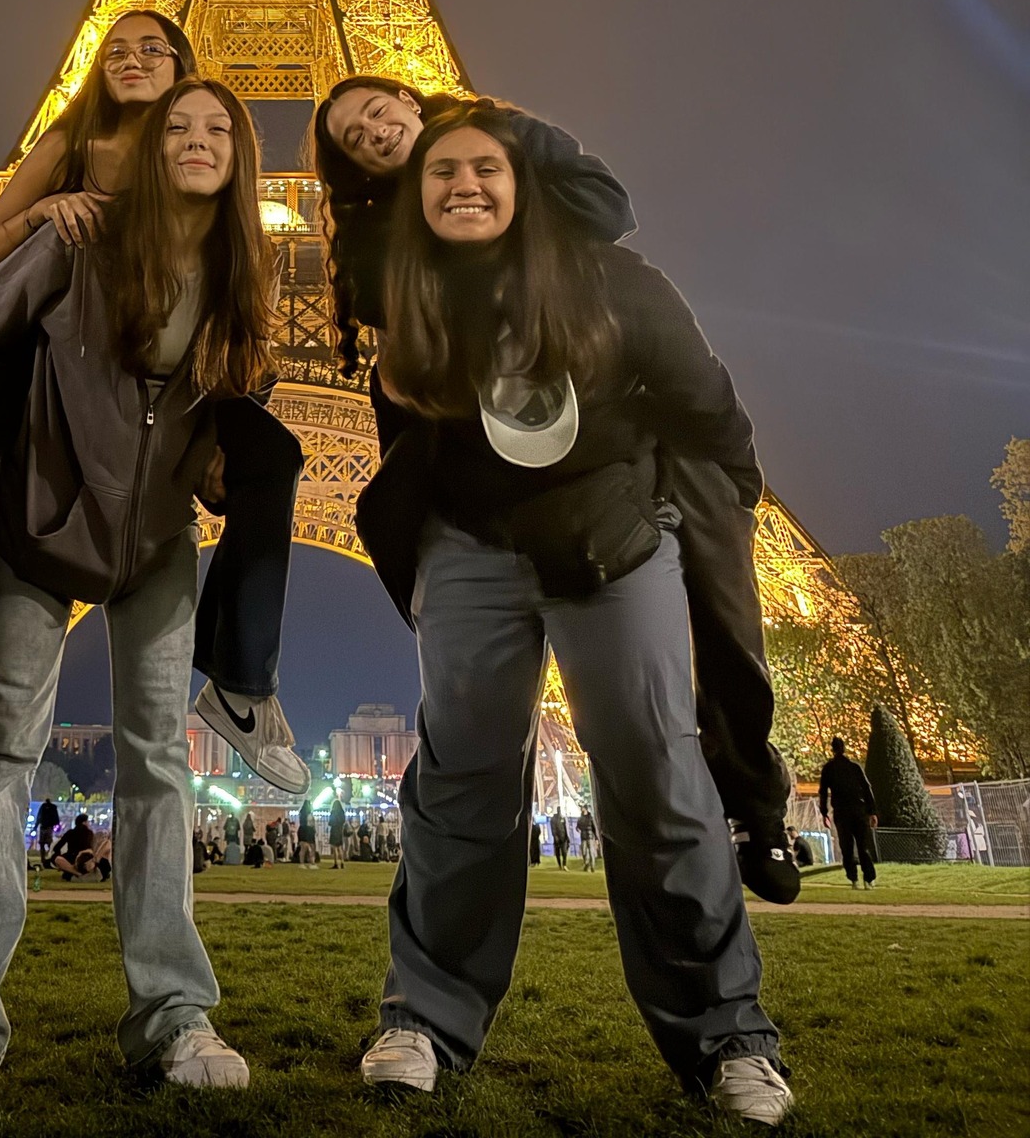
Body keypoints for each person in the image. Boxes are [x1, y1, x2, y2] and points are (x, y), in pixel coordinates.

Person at [353, 103, 793, 1126]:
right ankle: (424, 1018)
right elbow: (404, 431)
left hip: (612, 545)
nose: (464, 184)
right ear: (416, 196)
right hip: (471, 550)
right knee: (458, 777)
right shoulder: (413, 298)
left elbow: (711, 414)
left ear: (525, 182)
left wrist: (697, 524)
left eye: (486, 166)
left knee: (657, 770)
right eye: (441, 171)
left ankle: (728, 1035)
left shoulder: (615, 281)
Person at [0, 78, 274, 1114]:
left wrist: (222, 473)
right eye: (178, 126)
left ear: (241, 156)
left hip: (154, 538)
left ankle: (174, 1014)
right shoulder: (78, 235)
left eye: (219, 128)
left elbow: (243, 409)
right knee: (2, 755)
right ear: (148, 149)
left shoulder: (241, 274)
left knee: (159, 764)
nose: (197, 139)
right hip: (43, 521)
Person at [0, 13, 309, 825]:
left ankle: (242, 682)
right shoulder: (73, 152)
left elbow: (244, 354)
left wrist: (224, 439)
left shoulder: (230, 230)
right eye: (117, 50)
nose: (133, 61)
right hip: (33, 351)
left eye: (153, 49)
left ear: (185, 71)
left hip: (164, 392)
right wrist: (45, 211)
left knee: (275, 454)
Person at [818, 738, 878, 889]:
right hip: (858, 810)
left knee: (847, 847)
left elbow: (823, 792)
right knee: (863, 846)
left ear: (832, 749)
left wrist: (824, 813)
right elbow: (866, 788)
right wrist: (872, 811)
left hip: (841, 812)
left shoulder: (828, 769)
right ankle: (869, 878)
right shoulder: (854, 767)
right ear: (844, 748)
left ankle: (853, 878)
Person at [34, 797, 60, 869]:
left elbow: (39, 817)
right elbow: (56, 818)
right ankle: (49, 857)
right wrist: (57, 825)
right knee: (48, 844)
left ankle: (45, 858)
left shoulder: (44, 807)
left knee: (44, 844)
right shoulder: (52, 807)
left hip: (44, 827)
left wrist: (35, 826)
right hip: (48, 827)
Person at [577, 806, 598, 873]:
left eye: (583, 808)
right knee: (584, 852)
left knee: (591, 852)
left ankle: (592, 867)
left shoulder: (590, 818)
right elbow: (577, 827)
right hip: (583, 837)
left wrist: (596, 838)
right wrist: (578, 829)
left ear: (586, 809)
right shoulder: (580, 818)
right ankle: (586, 864)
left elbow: (594, 828)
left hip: (590, 837)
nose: (582, 809)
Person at [328, 797, 348, 869]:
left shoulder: (333, 812)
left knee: (335, 848)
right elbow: (343, 821)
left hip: (334, 831)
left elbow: (330, 822)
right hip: (340, 831)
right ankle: (342, 863)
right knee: (340, 847)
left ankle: (336, 863)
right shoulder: (342, 813)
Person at [297, 799, 318, 866]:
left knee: (303, 848)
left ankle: (302, 863)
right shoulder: (310, 815)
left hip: (302, 831)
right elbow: (312, 824)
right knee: (312, 848)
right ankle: (312, 862)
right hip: (309, 831)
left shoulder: (302, 814)